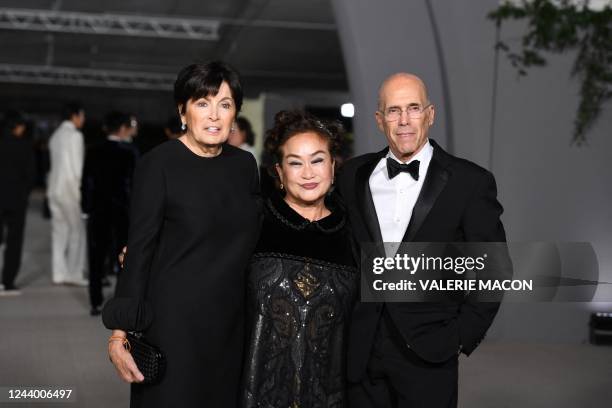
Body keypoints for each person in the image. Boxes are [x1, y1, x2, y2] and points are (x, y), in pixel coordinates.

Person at [336, 73, 508, 407]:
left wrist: (460, 335)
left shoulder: (470, 181)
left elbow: (495, 267)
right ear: (379, 119)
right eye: (393, 110)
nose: (403, 121)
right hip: (362, 346)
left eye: (413, 108)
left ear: (430, 114)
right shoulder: (351, 175)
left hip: (431, 347)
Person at [102, 61, 261, 407]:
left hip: (230, 325)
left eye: (225, 104)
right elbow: (140, 248)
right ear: (183, 111)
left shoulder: (243, 166)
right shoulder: (157, 165)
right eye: (203, 103)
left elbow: (255, 238)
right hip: (174, 325)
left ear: (235, 114)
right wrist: (119, 334)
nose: (215, 115)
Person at [241, 110, 358, 408]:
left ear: (333, 165)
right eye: (295, 163)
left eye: (317, 160)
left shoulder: (355, 232)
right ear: (279, 172)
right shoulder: (254, 221)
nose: (308, 173)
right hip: (254, 392)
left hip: (332, 396)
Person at [82, 111, 139, 316]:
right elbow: (134, 186)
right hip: (123, 212)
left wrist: (86, 208)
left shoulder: (93, 151)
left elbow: (87, 182)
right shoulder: (130, 152)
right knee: (123, 259)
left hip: (98, 210)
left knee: (96, 257)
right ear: (123, 129)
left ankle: (95, 301)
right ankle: (120, 302)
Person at [47, 102, 88, 286]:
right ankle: (74, 273)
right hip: (69, 190)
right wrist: (81, 194)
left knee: (59, 232)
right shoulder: (75, 136)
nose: (83, 119)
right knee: (77, 232)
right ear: (75, 116)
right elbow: (76, 168)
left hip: (53, 190)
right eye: (82, 116)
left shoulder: (55, 136)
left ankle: (58, 273)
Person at [0, 111, 35, 295]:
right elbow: (31, 176)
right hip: (16, 200)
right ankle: (7, 282)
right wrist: (23, 193)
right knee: (14, 242)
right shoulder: (25, 146)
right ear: (18, 127)